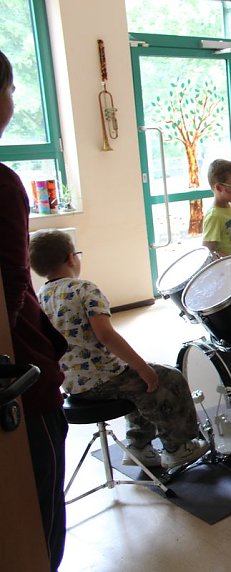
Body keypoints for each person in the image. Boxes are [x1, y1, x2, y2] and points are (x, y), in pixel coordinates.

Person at [30, 230, 210, 469]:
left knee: (135, 383)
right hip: (102, 379)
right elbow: (106, 335)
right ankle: (179, 447)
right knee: (167, 378)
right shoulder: (85, 289)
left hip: (73, 384)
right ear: (71, 258)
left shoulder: (40, 296)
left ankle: (139, 446)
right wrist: (143, 367)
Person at [0, 48, 68, 572]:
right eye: (12, 90)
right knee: (38, 500)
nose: (13, 99)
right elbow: (12, 289)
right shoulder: (3, 185)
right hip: (20, 374)